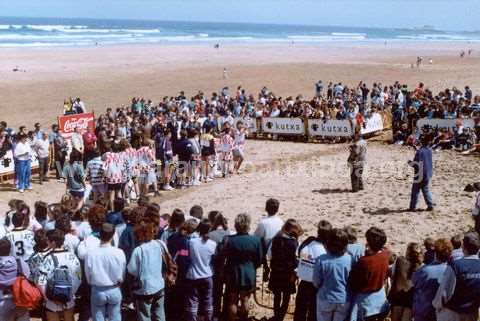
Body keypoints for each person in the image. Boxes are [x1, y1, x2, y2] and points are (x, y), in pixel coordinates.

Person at [217, 213, 263, 321]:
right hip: (248, 273)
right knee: (245, 300)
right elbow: (259, 260)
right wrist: (252, 267)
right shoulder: (256, 240)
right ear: (248, 225)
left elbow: (222, 256)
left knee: (232, 300)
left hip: (232, 273)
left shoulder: (228, 239)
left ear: (236, 225)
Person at [433, 232, 480, 321]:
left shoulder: (456, 265)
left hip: (453, 313)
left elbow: (444, 293)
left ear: (463, 247)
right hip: (472, 314)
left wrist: (437, 306)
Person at [84, 223, 126, 321]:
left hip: (98, 289)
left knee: (98, 317)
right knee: (115, 316)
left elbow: (88, 274)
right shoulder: (119, 252)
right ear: (113, 235)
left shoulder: (91, 253)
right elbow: (122, 272)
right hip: (114, 288)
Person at [38, 229, 82, 321]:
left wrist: (48, 299)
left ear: (53, 242)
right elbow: (78, 278)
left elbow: (41, 282)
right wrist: (69, 294)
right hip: (69, 300)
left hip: (51, 303)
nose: (46, 242)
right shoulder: (73, 257)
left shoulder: (47, 259)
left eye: (47, 240)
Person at [127, 221, 167, 321]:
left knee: (144, 315)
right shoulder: (159, 244)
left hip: (145, 289)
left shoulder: (138, 250)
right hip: (160, 285)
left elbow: (132, 270)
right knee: (160, 313)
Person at [349, 227, 391, 321]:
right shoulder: (385, 255)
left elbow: (354, 283)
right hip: (379, 298)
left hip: (365, 301)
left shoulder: (364, 261)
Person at [294, 220, 332, 321]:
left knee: (300, 311)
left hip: (304, 282)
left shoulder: (309, 242)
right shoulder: (326, 250)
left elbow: (299, 251)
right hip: (317, 286)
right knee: (313, 313)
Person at [313, 228, 352, 321]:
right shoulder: (350, 259)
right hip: (343, 298)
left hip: (325, 297)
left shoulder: (321, 260)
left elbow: (316, 282)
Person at [268, 219, 303, 321]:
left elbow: (270, 255)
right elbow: (297, 260)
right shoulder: (295, 243)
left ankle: (276, 316)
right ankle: (281, 317)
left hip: (276, 271)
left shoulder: (275, 240)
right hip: (288, 273)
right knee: (286, 296)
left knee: (277, 295)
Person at [412, 238, 452, 321]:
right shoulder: (451, 271)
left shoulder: (424, 270)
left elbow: (414, 283)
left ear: (435, 254)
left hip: (424, 311)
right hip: (442, 313)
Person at [185, 219, 217, 321]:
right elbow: (213, 260)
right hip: (207, 275)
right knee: (208, 299)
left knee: (193, 301)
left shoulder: (191, 242)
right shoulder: (212, 244)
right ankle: (208, 318)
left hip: (193, 275)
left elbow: (187, 257)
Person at [388, 243, 423, 321]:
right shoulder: (421, 268)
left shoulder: (400, 260)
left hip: (397, 297)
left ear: (407, 251)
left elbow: (392, 275)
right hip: (410, 298)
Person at [0, 238, 31, 321]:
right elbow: (27, 277)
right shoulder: (19, 262)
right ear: (10, 249)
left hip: (1, 302)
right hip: (20, 300)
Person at [409, 135, 434, 211]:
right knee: (425, 189)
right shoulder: (429, 150)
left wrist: (409, 162)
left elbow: (415, 164)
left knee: (415, 191)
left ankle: (412, 207)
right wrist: (417, 150)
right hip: (428, 173)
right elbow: (424, 156)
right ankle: (430, 205)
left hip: (419, 174)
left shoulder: (419, 152)